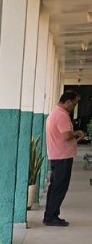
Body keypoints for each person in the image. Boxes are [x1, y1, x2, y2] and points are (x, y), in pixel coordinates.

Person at [43, 91, 86, 226]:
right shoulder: (62, 115)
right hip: (62, 157)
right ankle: (51, 217)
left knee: (55, 187)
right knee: (59, 188)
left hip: (58, 155)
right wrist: (77, 132)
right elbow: (67, 135)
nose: (73, 107)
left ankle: (50, 215)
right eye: (74, 104)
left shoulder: (55, 113)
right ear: (68, 102)